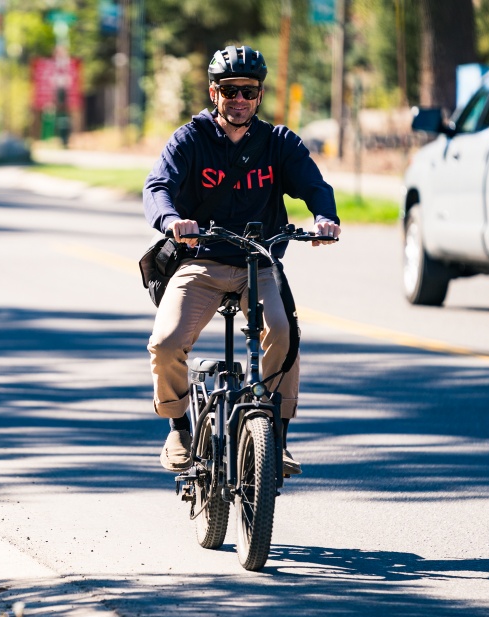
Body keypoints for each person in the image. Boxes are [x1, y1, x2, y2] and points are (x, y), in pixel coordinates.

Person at [143, 44, 341, 475]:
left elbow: (314, 185)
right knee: (165, 342)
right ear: (214, 93)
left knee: (284, 334)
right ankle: (179, 425)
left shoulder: (279, 144)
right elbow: (158, 186)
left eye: (248, 92)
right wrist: (172, 220)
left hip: (260, 260)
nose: (239, 100)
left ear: (259, 95)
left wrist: (325, 217)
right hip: (202, 261)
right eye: (229, 90)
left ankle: (277, 437)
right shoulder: (190, 140)